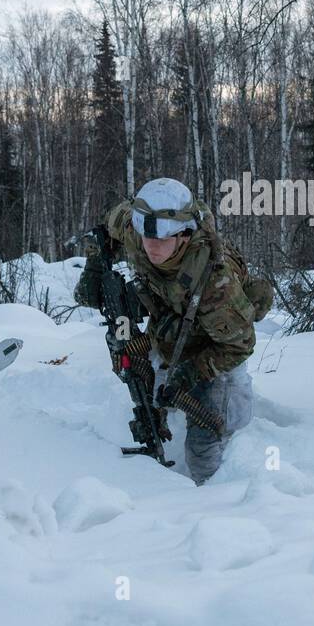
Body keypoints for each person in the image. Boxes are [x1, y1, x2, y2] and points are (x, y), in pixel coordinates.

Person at [76, 178, 261, 484]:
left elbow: (239, 345)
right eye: (145, 230)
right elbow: (111, 222)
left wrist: (190, 373)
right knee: (151, 388)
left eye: (163, 234)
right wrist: (97, 256)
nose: (152, 243)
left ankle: (219, 501)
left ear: (185, 234)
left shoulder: (215, 281)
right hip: (172, 326)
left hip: (217, 346)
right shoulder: (138, 230)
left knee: (204, 449)